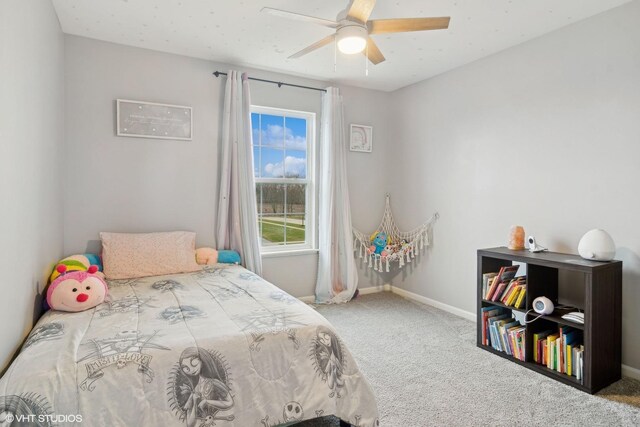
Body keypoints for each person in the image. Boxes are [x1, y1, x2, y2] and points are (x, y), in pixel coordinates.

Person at [178, 347, 234, 427]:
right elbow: (190, 424)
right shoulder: (195, 389)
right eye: (186, 368)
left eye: (194, 364)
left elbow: (230, 403)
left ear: (202, 361)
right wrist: (194, 403)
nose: (191, 369)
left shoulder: (214, 383)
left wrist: (207, 401)